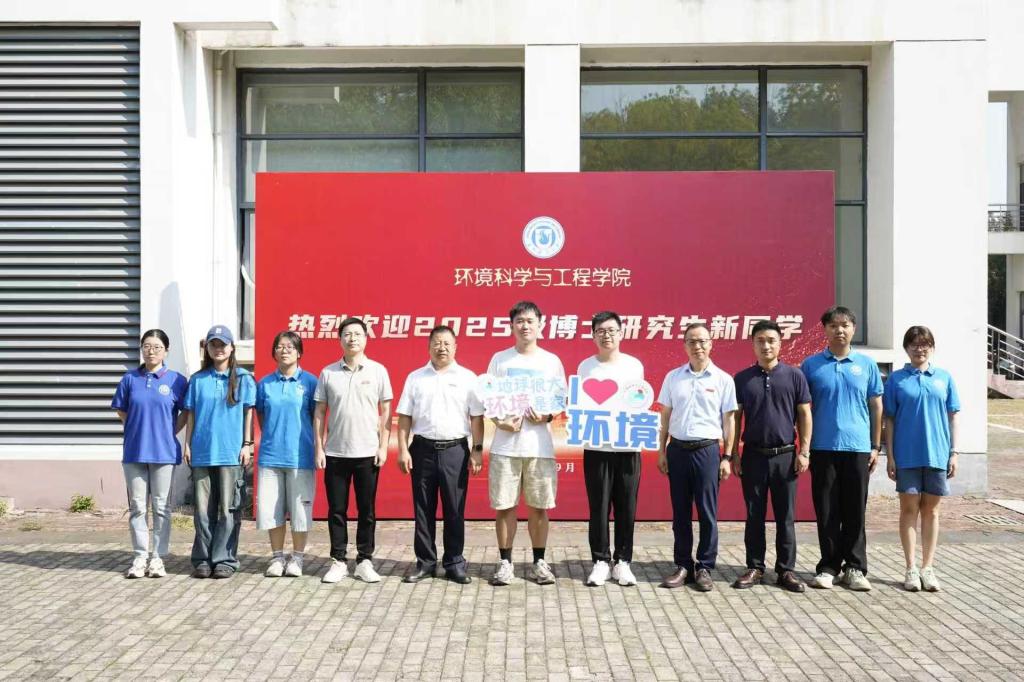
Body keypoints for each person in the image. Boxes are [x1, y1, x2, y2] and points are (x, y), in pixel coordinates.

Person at [801, 306, 883, 592]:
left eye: (845, 325)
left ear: (853, 329)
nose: (839, 330)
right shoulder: (811, 365)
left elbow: (876, 405)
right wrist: (804, 447)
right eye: (834, 325)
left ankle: (855, 567)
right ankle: (828, 567)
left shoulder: (867, 365)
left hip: (858, 448)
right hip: (822, 447)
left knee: (855, 510)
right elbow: (802, 409)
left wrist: (875, 445)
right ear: (824, 329)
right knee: (826, 511)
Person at [396, 325, 485, 584]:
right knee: (423, 508)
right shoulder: (416, 378)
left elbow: (477, 418)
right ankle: (425, 563)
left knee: (454, 509)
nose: (441, 347)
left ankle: (454, 563)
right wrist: (403, 449)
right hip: (422, 449)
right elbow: (404, 417)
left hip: (455, 450)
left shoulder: (468, 378)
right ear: (429, 346)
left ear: (456, 347)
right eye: (436, 342)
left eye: (447, 343)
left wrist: (477, 451)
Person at [487, 301, 566, 586]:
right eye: (519, 321)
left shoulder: (551, 361)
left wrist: (546, 416)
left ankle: (539, 562)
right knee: (504, 506)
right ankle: (505, 563)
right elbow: (489, 398)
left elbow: (560, 399)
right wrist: (500, 422)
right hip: (505, 447)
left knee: (539, 507)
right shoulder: (500, 360)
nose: (525, 326)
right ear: (512, 326)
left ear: (540, 325)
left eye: (530, 321)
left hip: (539, 447)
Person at [731, 320, 812, 593]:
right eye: (760, 341)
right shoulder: (742, 379)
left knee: (785, 516)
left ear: (780, 343)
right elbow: (735, 418)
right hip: (753, 455)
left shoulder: (794, 376)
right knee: (754, 515)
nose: (766, 345)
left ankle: (786, 570)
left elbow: (804, 414)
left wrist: (804, 452)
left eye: (771, 340)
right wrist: (733, 454)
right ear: (753, 344)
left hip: (786, 456)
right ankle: (755, 567)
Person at [657, 322, 738, 592]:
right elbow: (665, 417)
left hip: (707, 451)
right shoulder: (673, 377)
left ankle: (704, 566)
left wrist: (727, 456)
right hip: (677, 450)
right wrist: (661, 450)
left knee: (707, 512)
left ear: (711, 344)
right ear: (684, 345)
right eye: (692, 341)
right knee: (680, 512)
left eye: (702, 341)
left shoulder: (723, 379)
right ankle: (683, 564)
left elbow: (729, 420)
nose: (697, 346)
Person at [315, 317, 393, 584]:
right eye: (347, 334)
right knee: (337, 510)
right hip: (336, 452)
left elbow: (386, 411)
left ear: (366, 338)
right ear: (340, 339)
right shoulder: (328, 373)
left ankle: (364, 560)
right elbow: (320, 412)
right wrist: (319, 448)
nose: (352, 339)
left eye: (358, 334)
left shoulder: (378, 371)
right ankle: (338, 560)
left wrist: (383, 446)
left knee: (366, 510)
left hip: (368, 452)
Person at [884, 325, 961, 592]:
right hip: (906, 455)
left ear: (932, 347)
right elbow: (889, 420)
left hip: (937, 454)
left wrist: (954, 452)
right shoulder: (896, 380)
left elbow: (953, 416)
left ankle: (928, 568)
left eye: (925, 344)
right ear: (906, 348)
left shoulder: (944, 378)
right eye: (914, 344)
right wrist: (890, 456)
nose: (920, 349)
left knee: (932, 511)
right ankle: (910, 568)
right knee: (908, 510)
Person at [110, 329, 188, 579]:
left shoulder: (176, 380)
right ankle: (140, 555)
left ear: (166, 351)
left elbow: (186, 412)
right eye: (147, 346)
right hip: (135, 452)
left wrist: (169, 431)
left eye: (157, 347)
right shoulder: (129, 379)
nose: (151, 351)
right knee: (137, 507)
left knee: (162, 507)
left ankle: (158, 557)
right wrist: (137, 428)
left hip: (164, 453)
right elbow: (121, 410)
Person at [183, 325, 256, 579]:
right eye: (213, 344)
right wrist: (187, 444)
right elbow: (191, 414)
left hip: (230, 453)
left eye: (223, 344)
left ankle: (224, 559)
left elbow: (248, 413)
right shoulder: (198, 379)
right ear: (208, 349)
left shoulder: (244, 378)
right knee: (202, 511)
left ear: (232, 348)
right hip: (202, 453)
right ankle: (202, 559)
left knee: (228, 510)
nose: (218, 349)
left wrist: (247, 445)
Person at [578, 311, 644, 587]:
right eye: (601, 331)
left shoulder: (634, 365)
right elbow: (581, 404)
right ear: (593, 335)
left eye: (611, 330)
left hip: (628, 446)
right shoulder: (585, 367)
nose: (607, 335)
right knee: (599, 506)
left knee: (627, 506)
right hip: (597, 446)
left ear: (621, 333)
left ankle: (623, 561)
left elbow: (639, 401)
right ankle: (601, 561)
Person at [255, 331, 319, 578]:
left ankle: (298, 557)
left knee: (300, 511)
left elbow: (316, 417)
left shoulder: (310, 382)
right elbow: (262, 416)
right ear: (274, 352)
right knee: (273, 510)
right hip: (271, 456)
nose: (285, 351)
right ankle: (277, 557)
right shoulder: (265, 384)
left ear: (299, 352)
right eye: (280, 347)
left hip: (300, 456)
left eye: (290, 347)